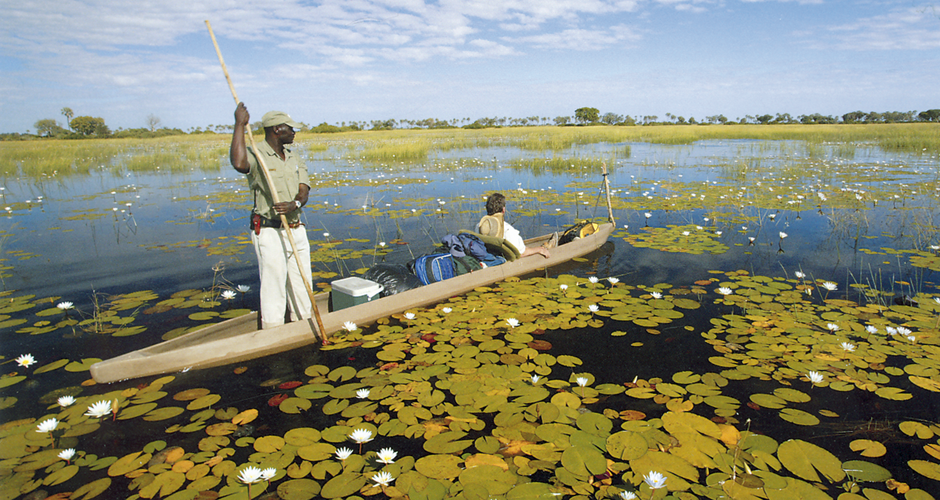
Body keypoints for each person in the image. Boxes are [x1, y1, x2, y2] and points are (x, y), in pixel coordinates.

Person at [230, 102, 312, 329]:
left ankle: (303, 324)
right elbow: (238, 163)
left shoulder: (294, 157)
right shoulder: (256, 155)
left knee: (302, 283)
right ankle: (273, 330)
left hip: (296, 228)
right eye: (290, 128)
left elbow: (304, 192)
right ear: (277, 129)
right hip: (269, 230)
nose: (294, 132)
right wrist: (239, 124)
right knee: (274, 282)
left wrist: (294, 203)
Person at [477, 193, 551, 259]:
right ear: (503, 210)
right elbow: (521, 253)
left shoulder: (479, 226)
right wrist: (540, 249)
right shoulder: (507, 229)